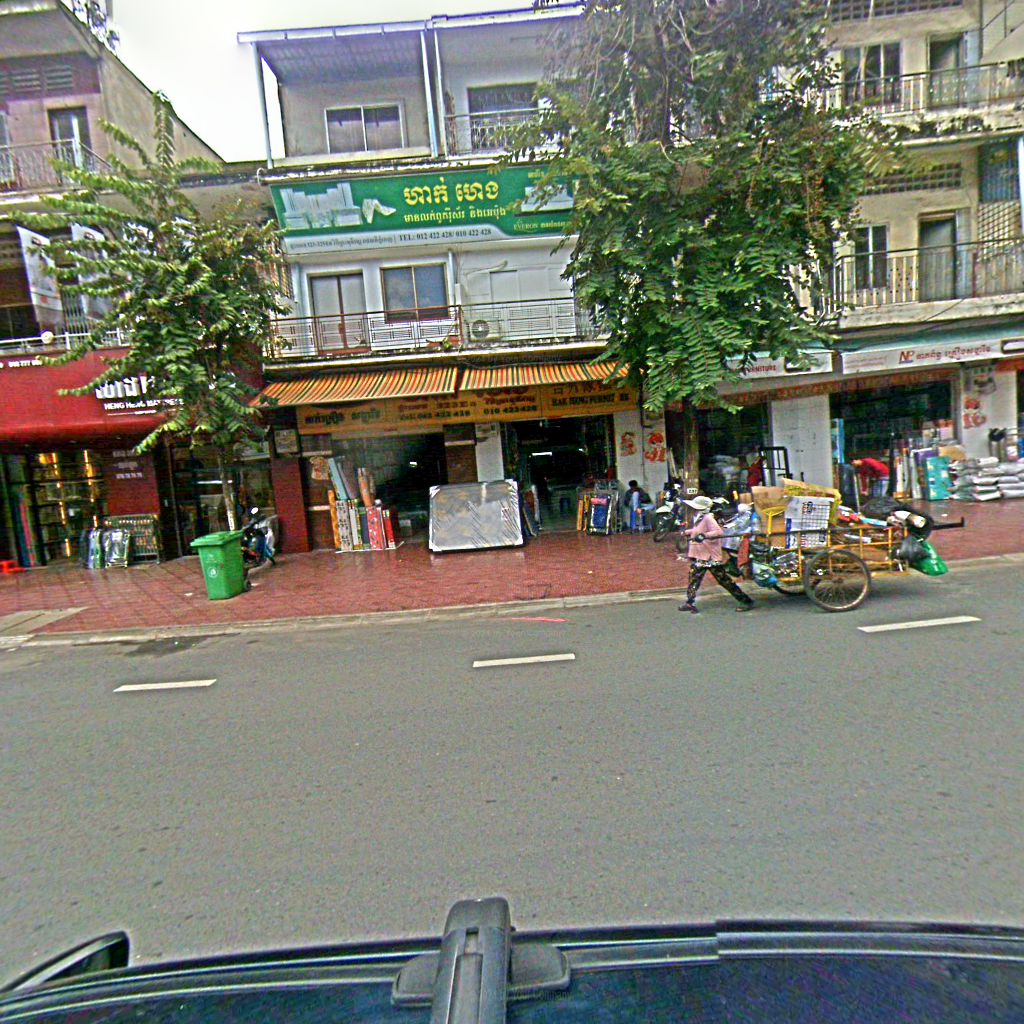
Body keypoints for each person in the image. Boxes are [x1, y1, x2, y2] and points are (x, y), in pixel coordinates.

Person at [679, 495, 754, 614]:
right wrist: (688, 532)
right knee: (694, 578)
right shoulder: (699, 517)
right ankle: (690, 602)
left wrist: (704, 536)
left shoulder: (708, 518)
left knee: (723, 580)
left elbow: (718, 532)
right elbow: (698, 531)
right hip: (701, 555)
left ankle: (745, 600)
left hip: (709, 556)